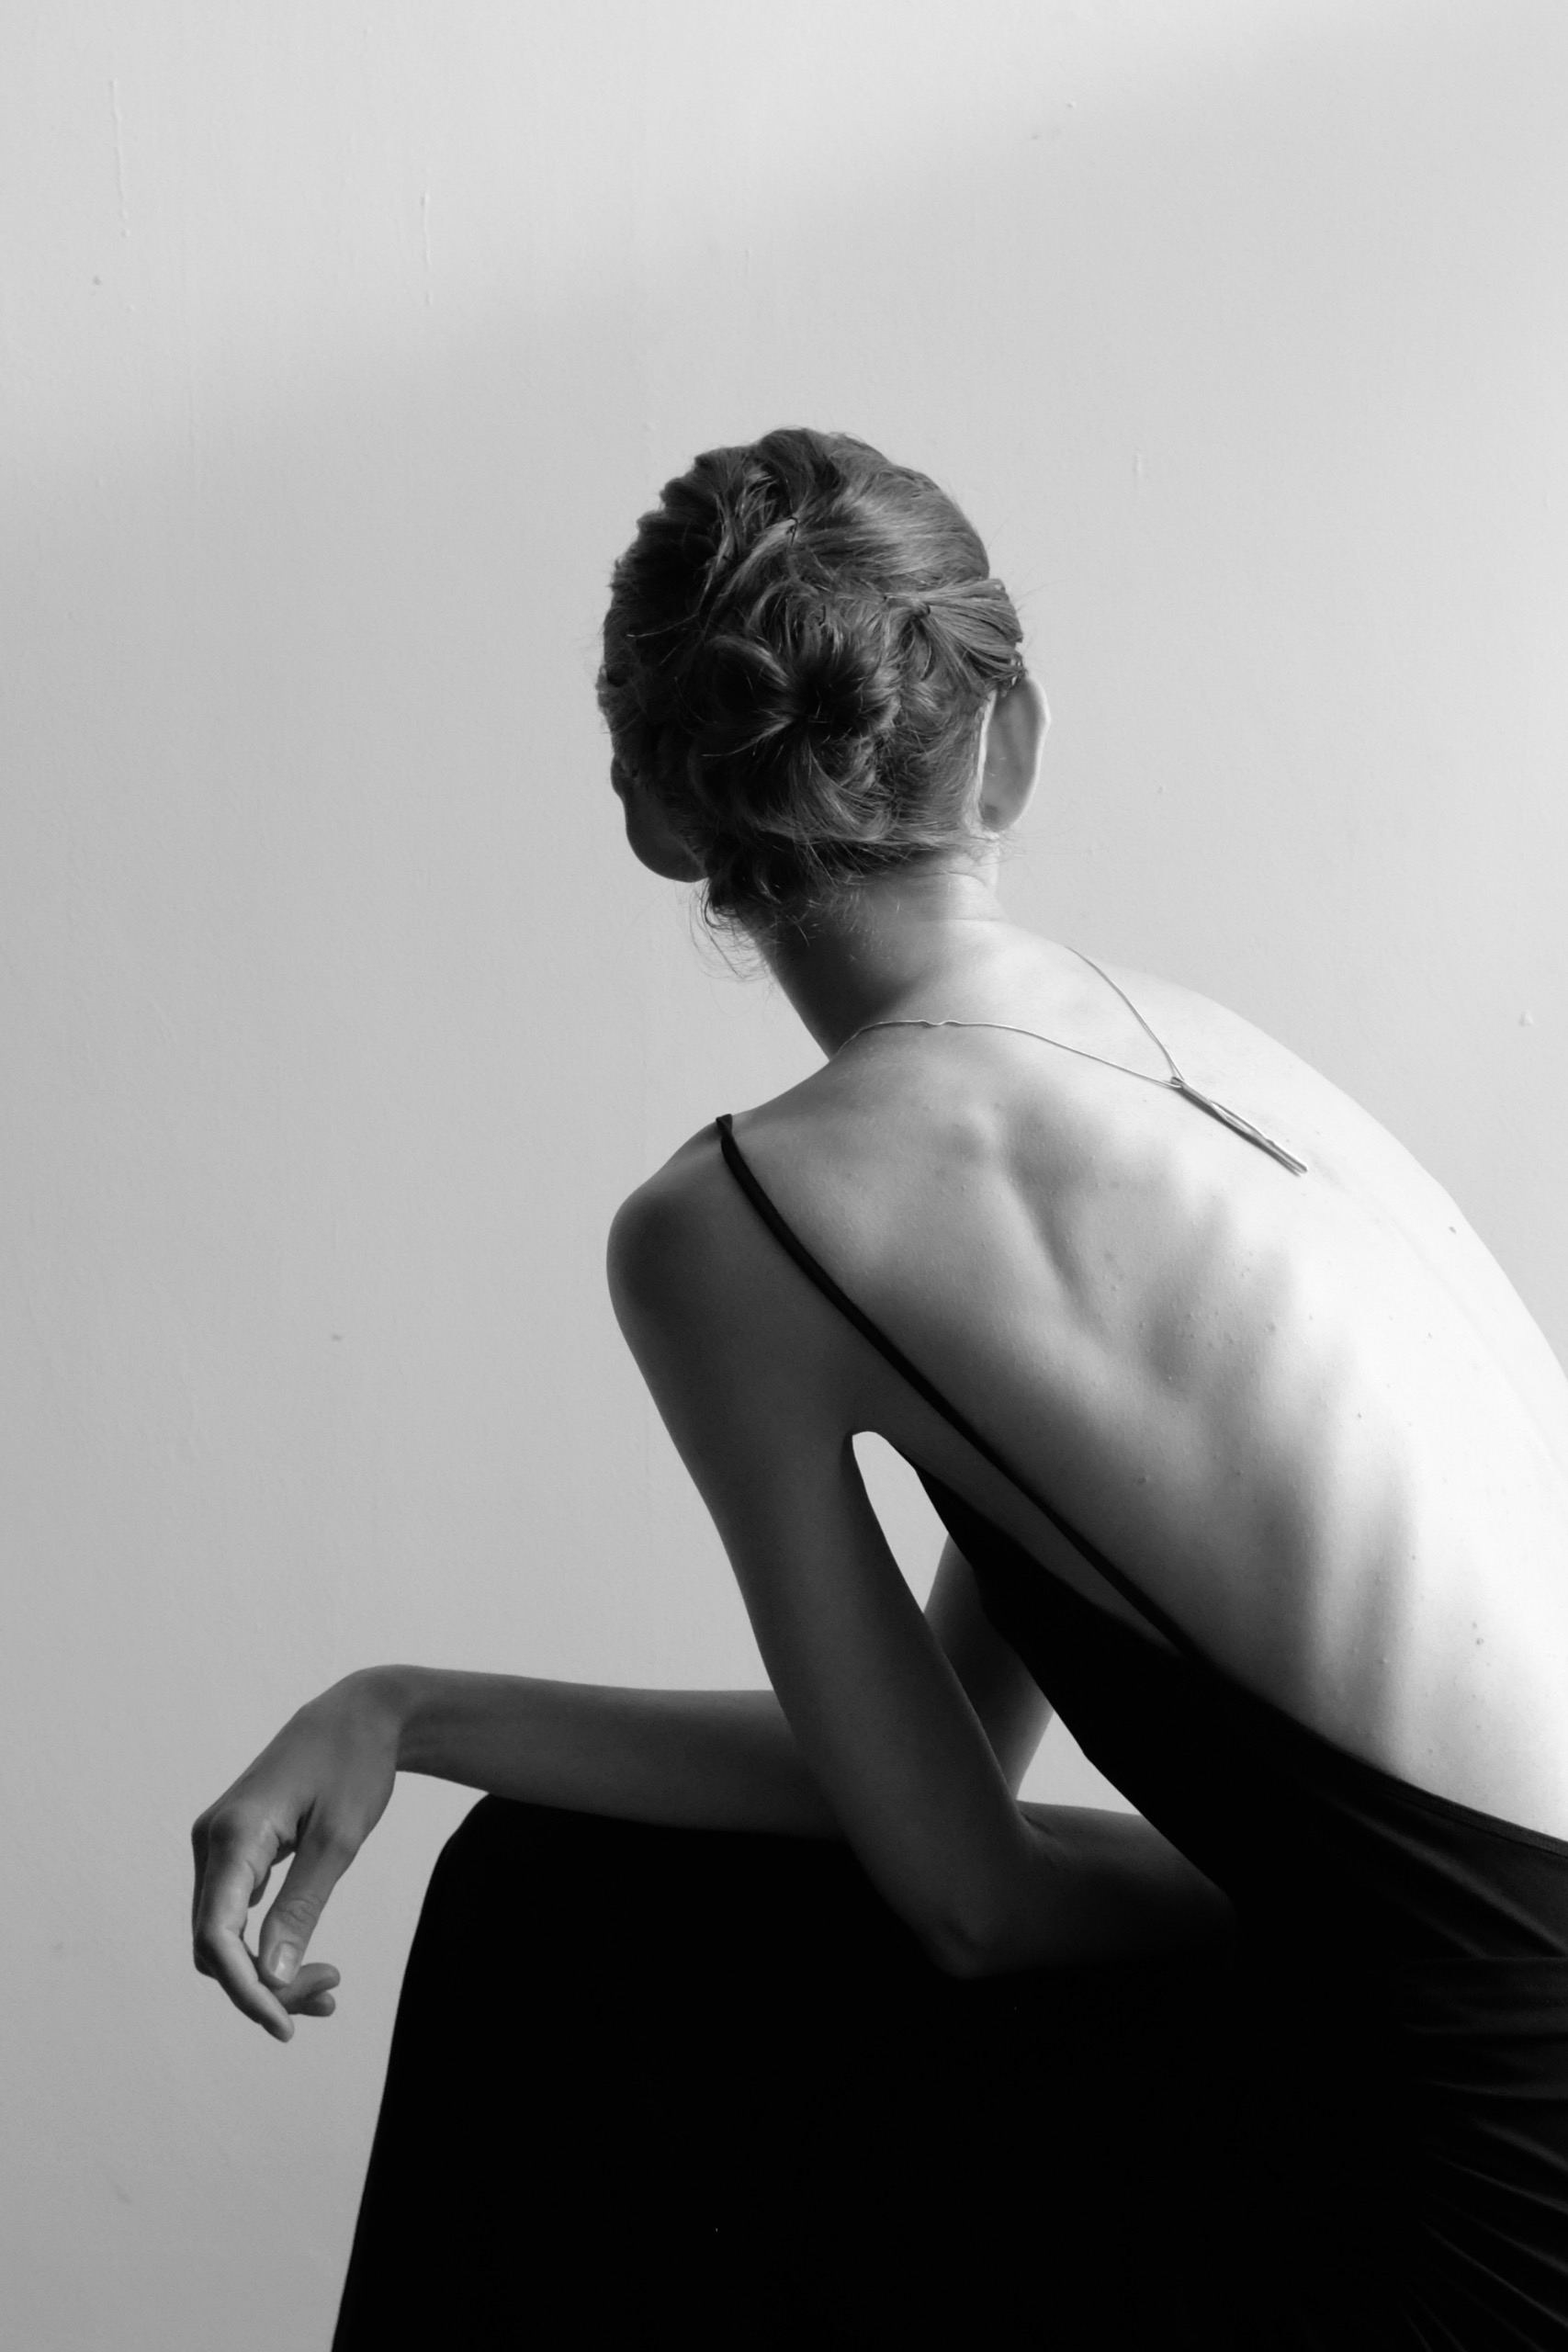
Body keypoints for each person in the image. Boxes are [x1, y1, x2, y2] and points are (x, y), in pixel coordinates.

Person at [191, 428, 1568, 2348]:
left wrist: (1291, 1922)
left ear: (656, 814)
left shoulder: (746, 1221)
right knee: (572, 1876)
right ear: (1012, 739)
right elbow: (926, 1791)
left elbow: (971, 1905)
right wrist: (406, 1709)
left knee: (561, 1928)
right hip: (1477, 2076)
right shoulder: (1222, 1071)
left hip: (1495, 2211)